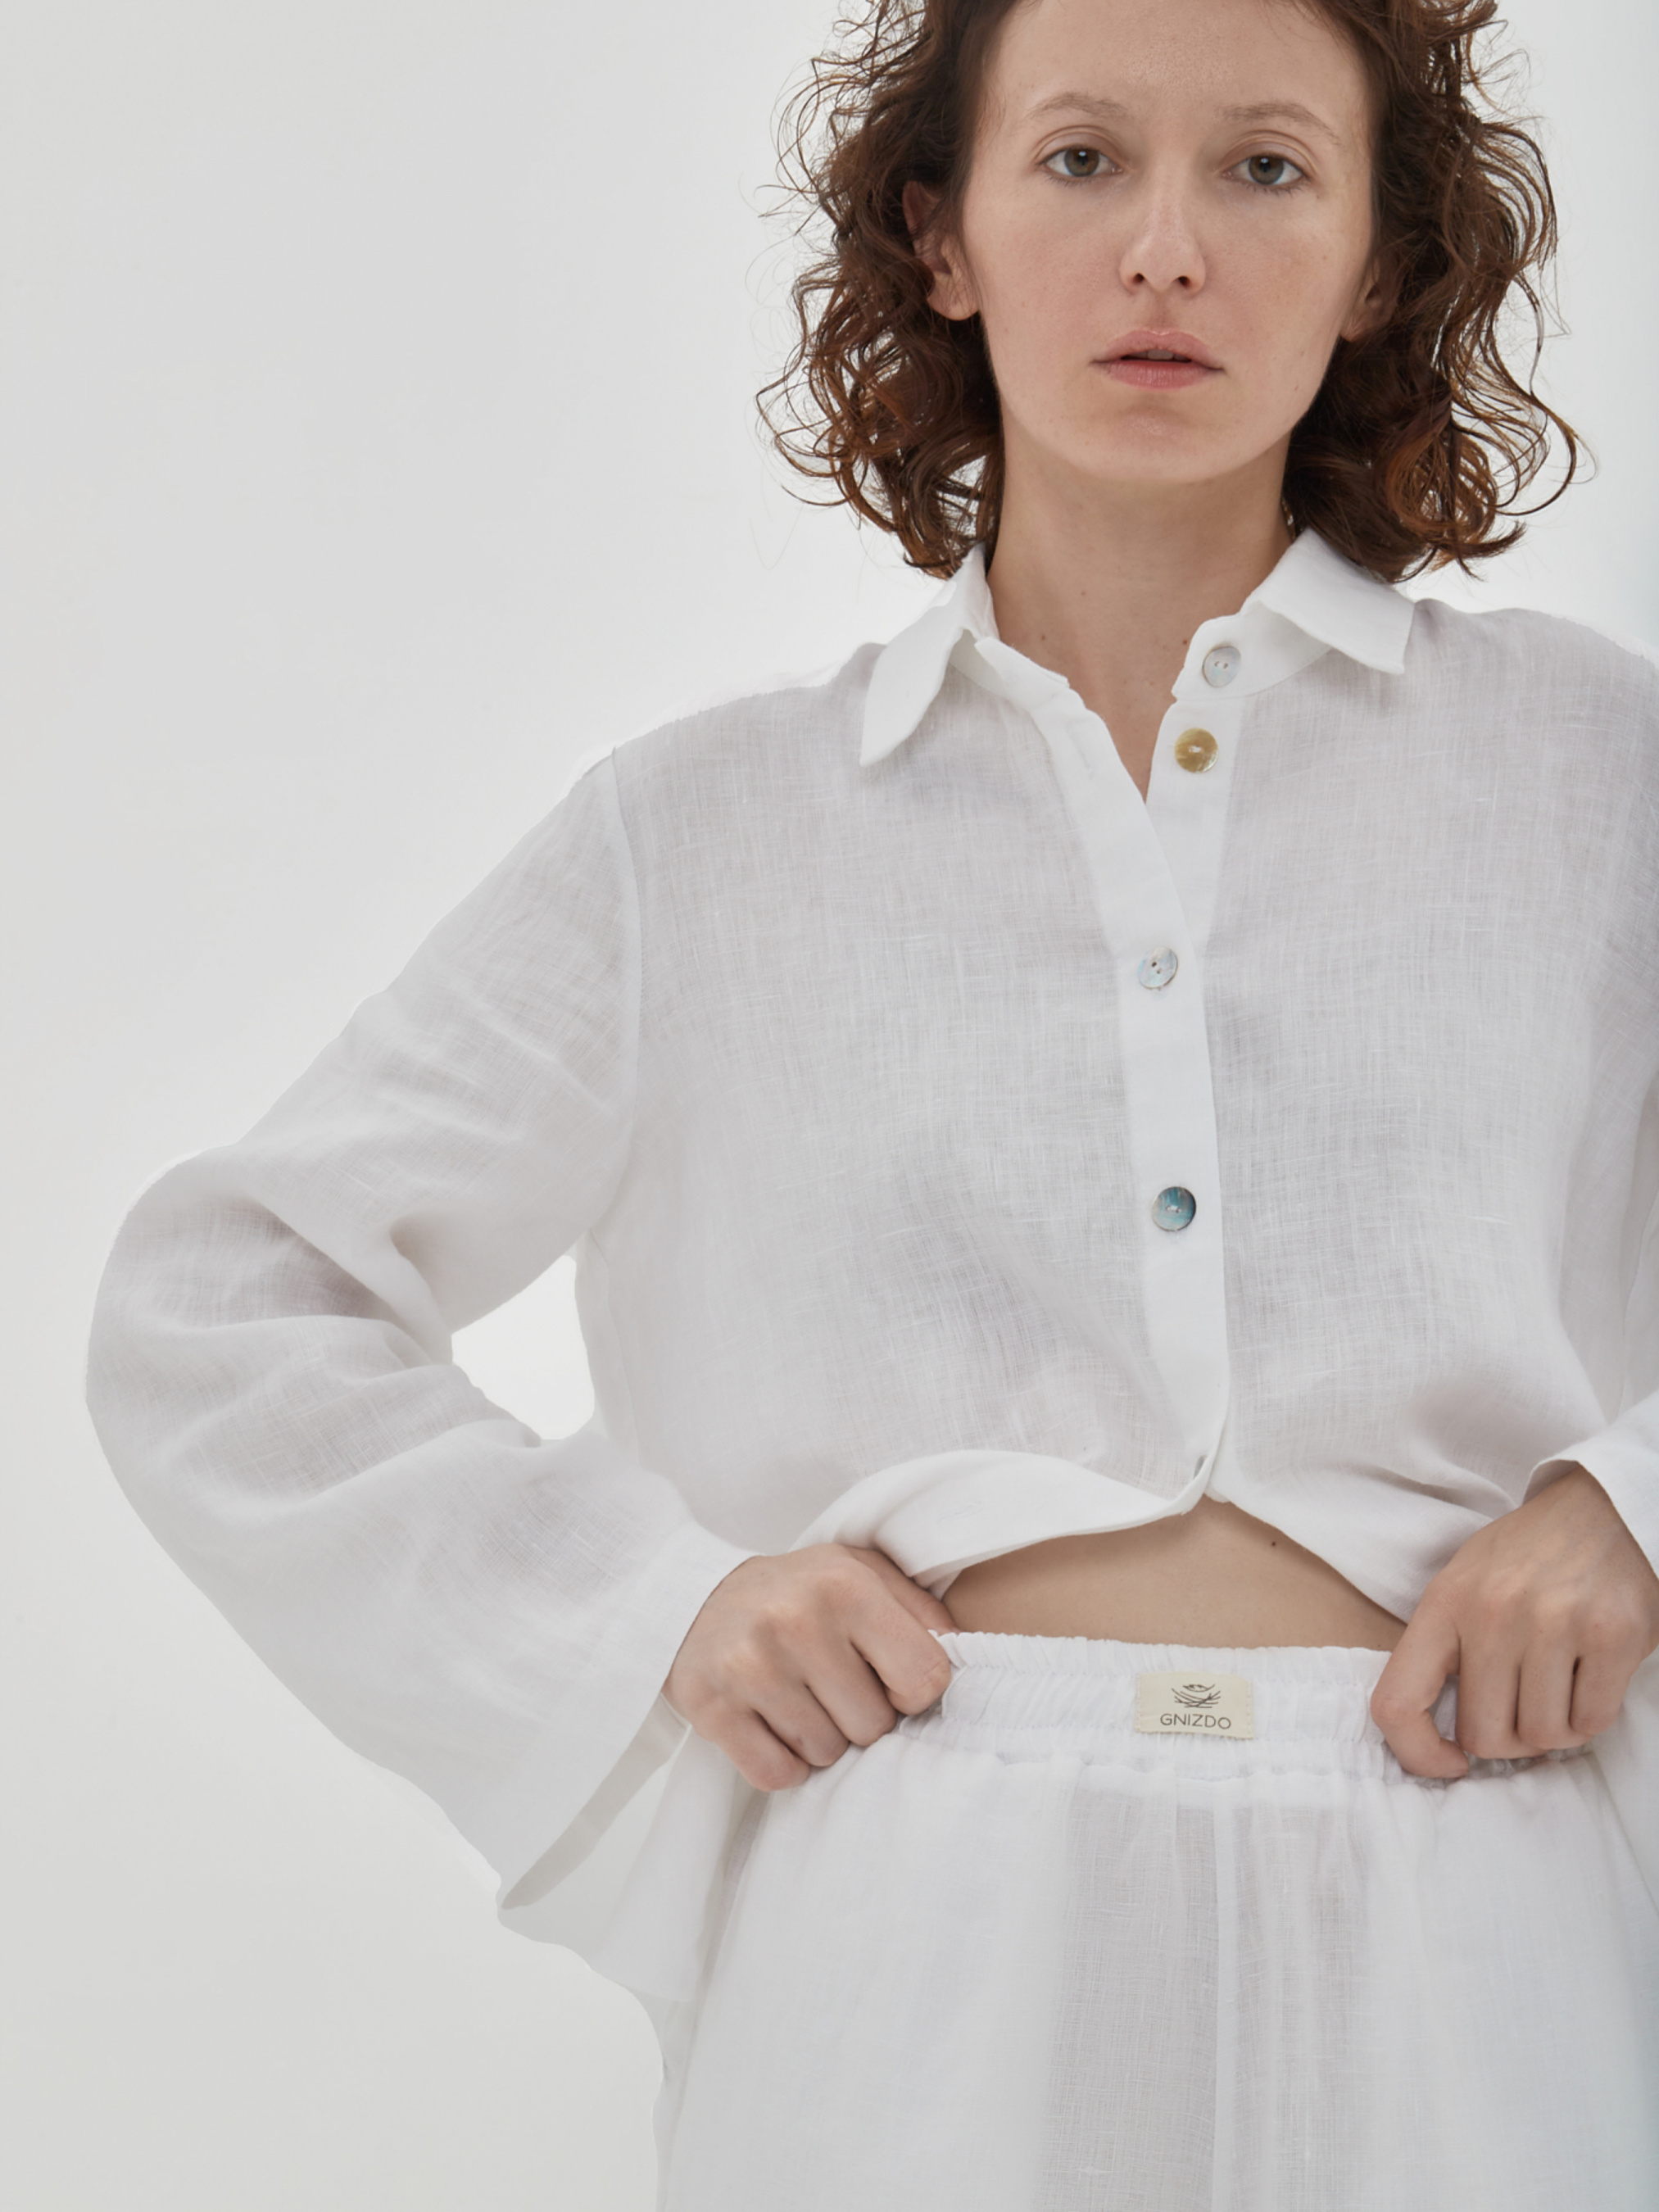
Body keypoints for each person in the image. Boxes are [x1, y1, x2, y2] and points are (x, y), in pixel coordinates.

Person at [86, 0, 1659, 2205]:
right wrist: (649, 1606)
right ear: (941, 234)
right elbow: (221, 1307)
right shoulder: (707, 832)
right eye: (1082, 158)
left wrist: (1629, 1503)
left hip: (1477, 1899)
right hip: (916, 1929)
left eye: (1266, 168)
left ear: (1384, 260)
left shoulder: (1595, 780)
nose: (1167, 250)